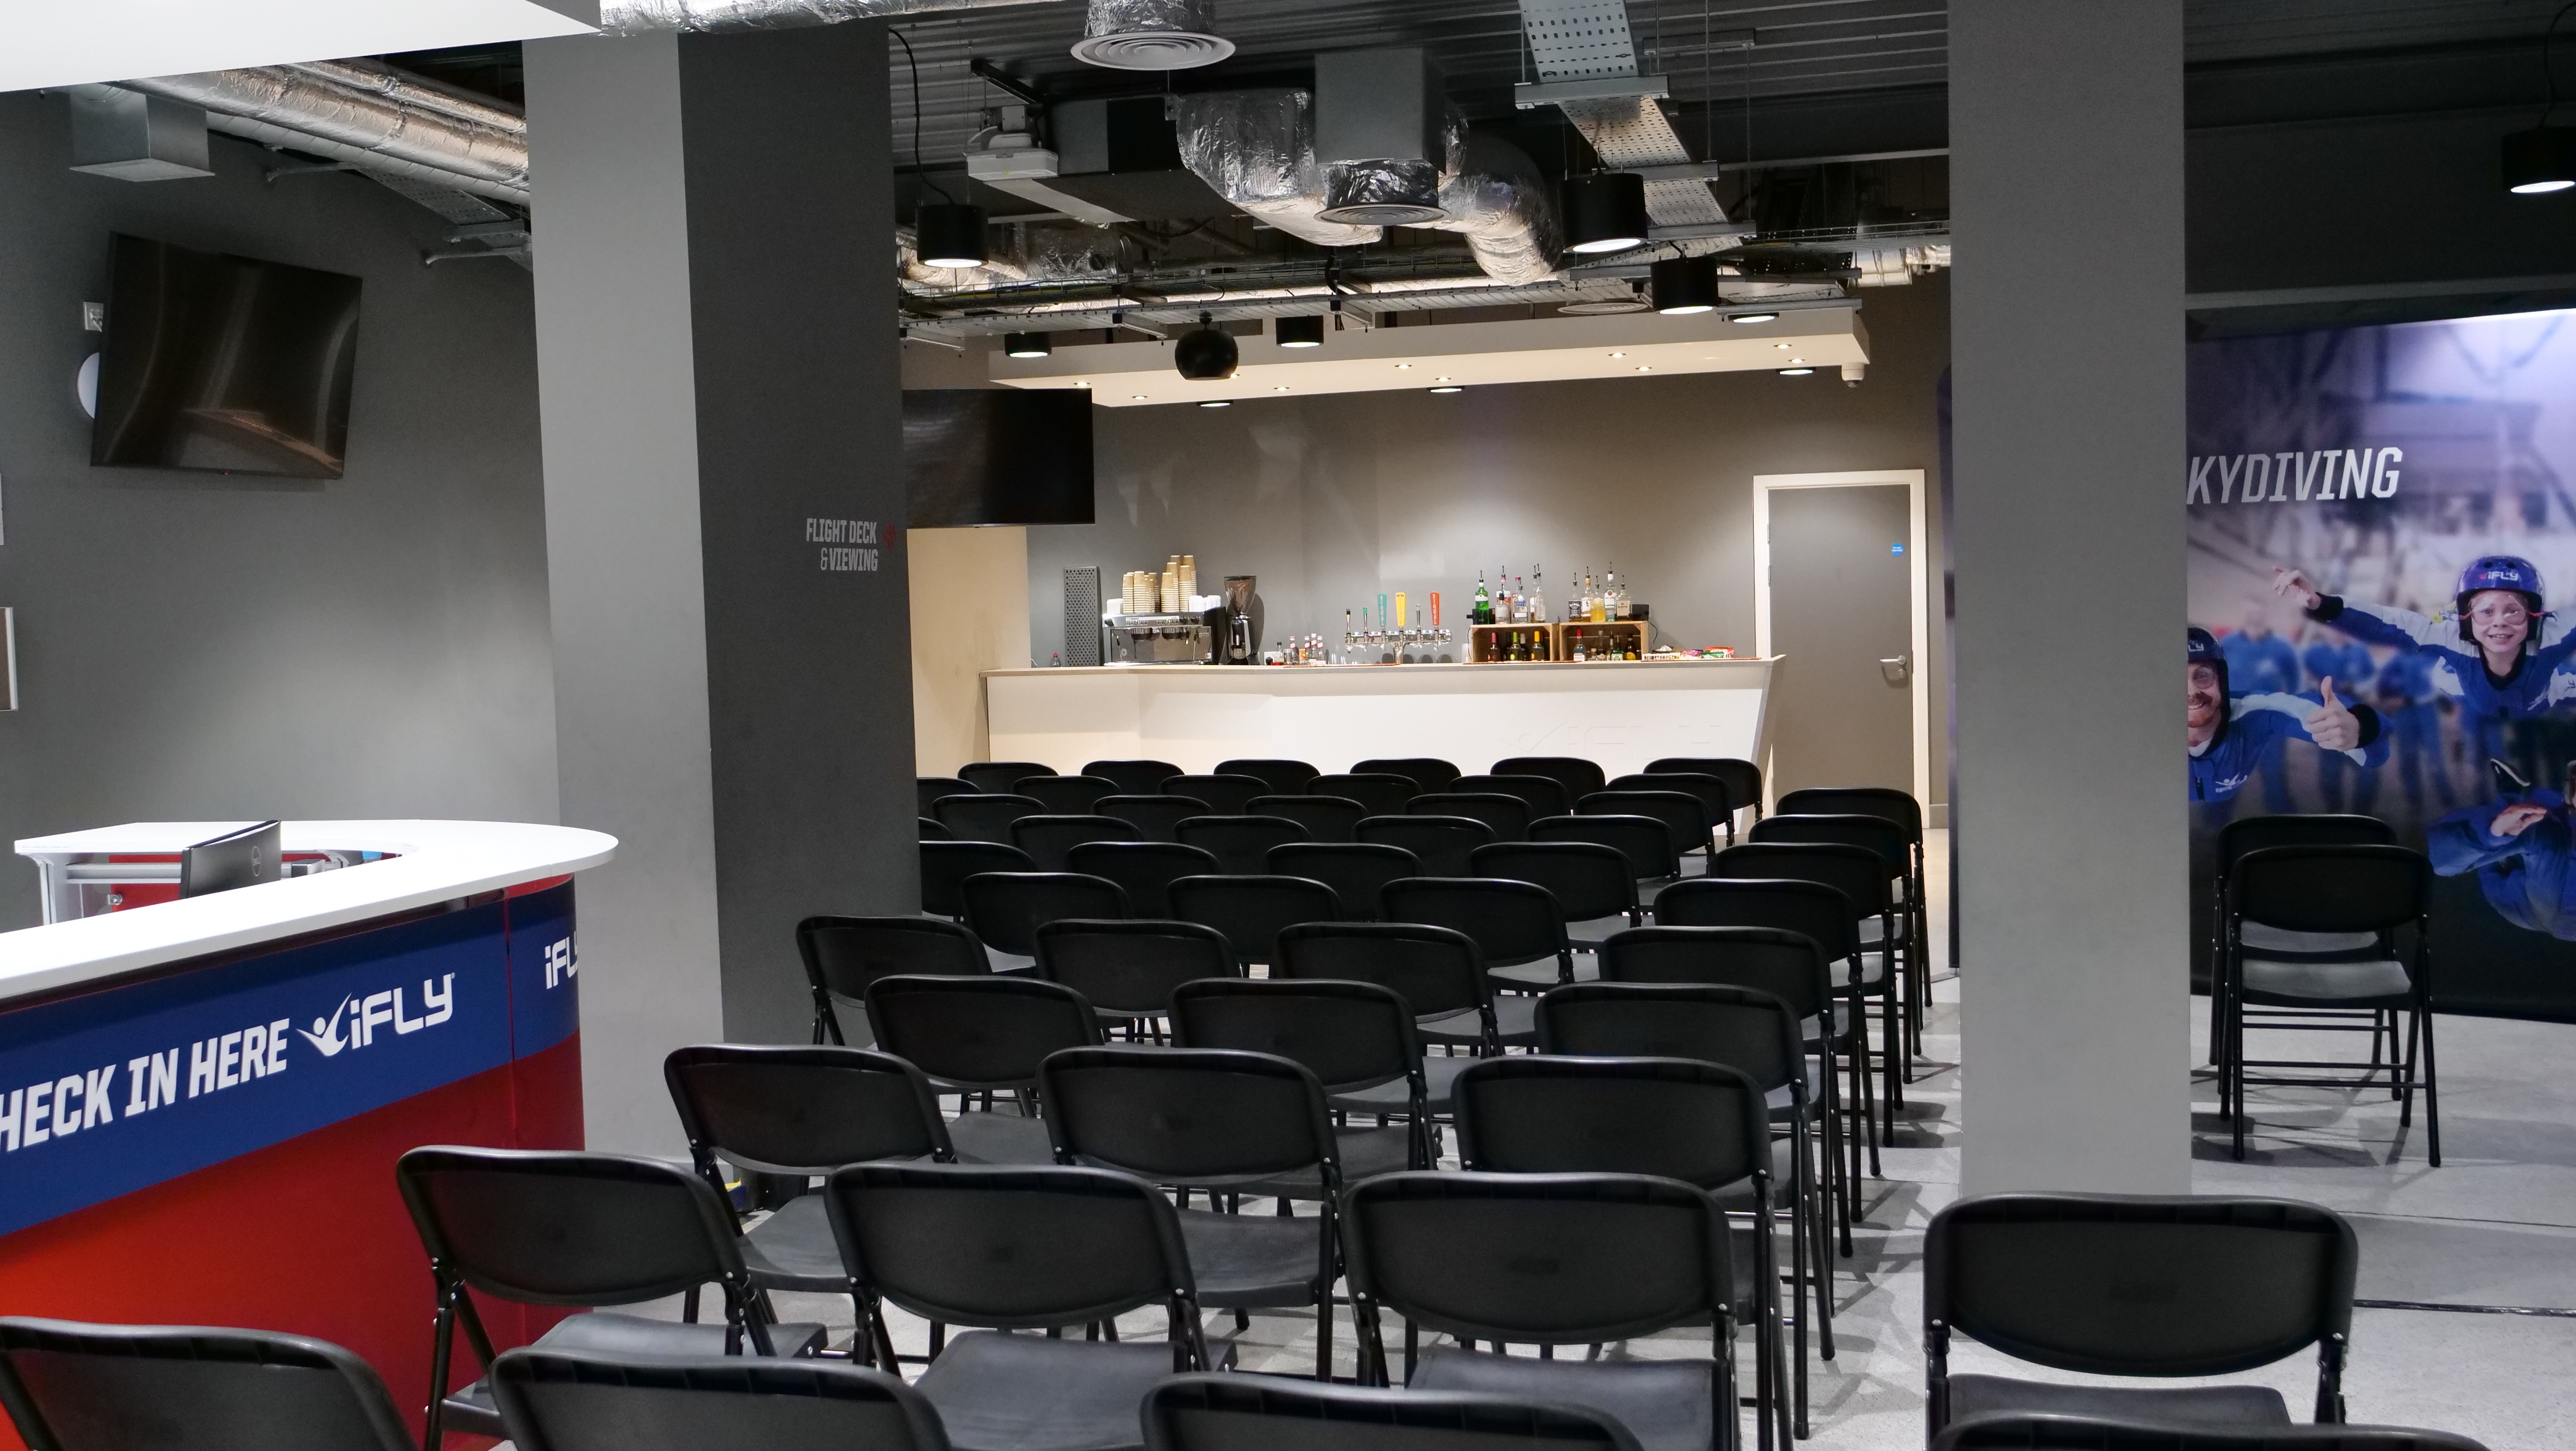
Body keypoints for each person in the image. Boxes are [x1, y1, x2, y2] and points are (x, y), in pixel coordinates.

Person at [2273, 556, 2576, 724]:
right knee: (2441, 673)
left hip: (2547, 693)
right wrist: (2320, 604)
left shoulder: (2553, 632)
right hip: (2464, 687)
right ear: (2466, 617)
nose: (2500, 621)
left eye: (2513, 611)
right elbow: (2387, 624)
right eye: (2486, 612)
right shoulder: (2454, 636)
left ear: (2536, 616)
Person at [2188, 627, 2387, 804]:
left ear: (2221, 679)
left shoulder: (2253, 711)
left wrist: (2360, 726)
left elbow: (2296, 704)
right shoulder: (2313, 652)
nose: (2191, 691)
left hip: (2342, 712)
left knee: (2277, 777)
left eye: (2203, 676)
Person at [2428, 760, 2576, 940]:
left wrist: (2492, 834)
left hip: (2526, 899)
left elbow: (2438, 860)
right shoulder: (2544, 825)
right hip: (2523, 896)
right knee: (2531, 823)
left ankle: (2508, 804)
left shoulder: (2547, 834)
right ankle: (2506, 810)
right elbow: (2438, 859)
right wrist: (2493, 834)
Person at [2303, 624, 2377, 813]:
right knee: (2330, 775)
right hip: (2329, 724)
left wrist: (2356, 687)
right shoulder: (2313, 653)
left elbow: (2371, 680)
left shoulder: (2360, 651)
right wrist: (2318, 687)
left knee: (2368, 774)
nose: (2338, 631)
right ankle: (2335, 815)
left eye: (2341, 626)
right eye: (2331, 627)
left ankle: (2361, 818)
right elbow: (2303, 681)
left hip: (2358, 724)